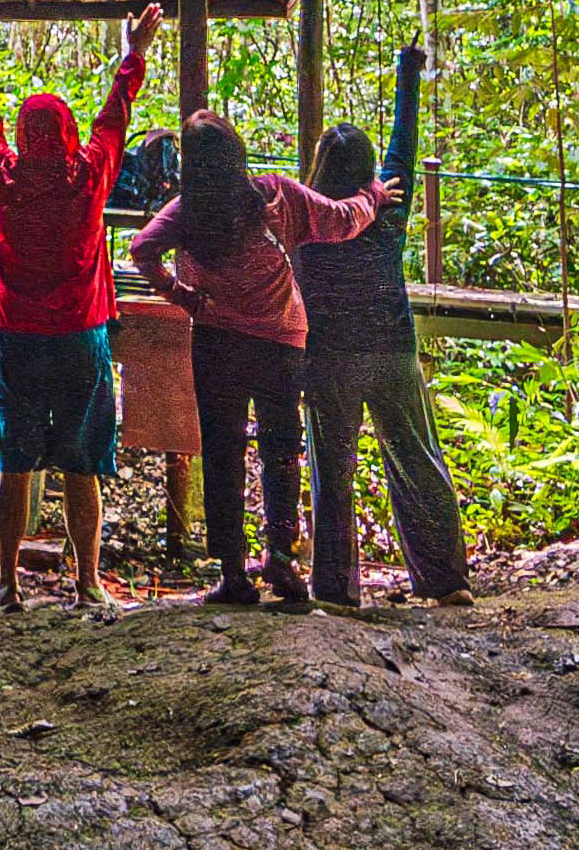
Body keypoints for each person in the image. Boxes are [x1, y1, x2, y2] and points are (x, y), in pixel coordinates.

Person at [0, 0, 159, 616]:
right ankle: (87, 581)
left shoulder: (1, 180)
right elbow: (114, 120)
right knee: (82, 463)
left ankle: (6, 585)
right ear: (67, 135)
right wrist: (132, 54)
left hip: (14, 337)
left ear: (21, 136)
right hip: (79, 337)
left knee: (14, 462)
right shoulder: (88, 177)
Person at [129, 111, 390, 607]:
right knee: (280, 450)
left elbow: (142, 249)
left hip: (216, 342)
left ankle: (233, 573)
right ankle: (281, 557)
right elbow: (342, 220)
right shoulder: (275, 195)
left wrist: (181, 295)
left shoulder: (187, 212)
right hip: (280, 342)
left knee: (223, 453)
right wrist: (373, 196)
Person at [296, 46, 472, 608]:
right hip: (391, 351)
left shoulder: (303, 215)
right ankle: (446, 582)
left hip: (329, 358)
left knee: (334, 470)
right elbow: (406, 144)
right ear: (371, 171)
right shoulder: (388, 204)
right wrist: (407, 76)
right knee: (418, 458)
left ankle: (335, 589)